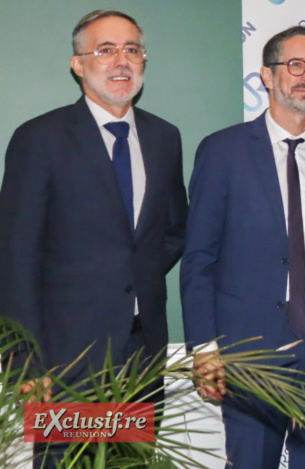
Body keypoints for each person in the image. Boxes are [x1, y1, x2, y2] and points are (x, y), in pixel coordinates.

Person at [0, 8, 187, 465]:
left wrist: (130, 278)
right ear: (79, 64)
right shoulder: (38, 138)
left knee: (130, 463)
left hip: (142, 353)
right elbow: (14, 255)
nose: (121, 61)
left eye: (132, 49)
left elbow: (172, 230)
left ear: (144, 60)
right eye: (105, 50)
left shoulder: (165, 137)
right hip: (65, 359)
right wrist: (22, 360)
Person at [180, 26, 305, 469]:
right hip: (250, 348)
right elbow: (199, 258)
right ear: (266, 75)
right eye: (295, 64)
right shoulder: (223, 151)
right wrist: (204, 349)